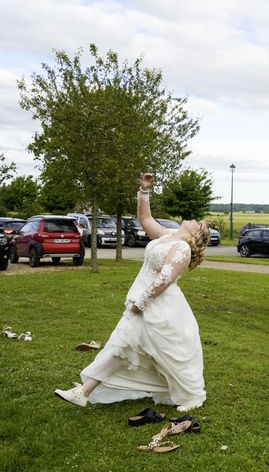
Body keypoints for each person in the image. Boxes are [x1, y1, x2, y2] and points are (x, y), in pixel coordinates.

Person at [55, 173, 209, 411]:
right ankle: (83, 391)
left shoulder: (182, 248)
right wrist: (144, 191)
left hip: (158, 307)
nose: (193, 219)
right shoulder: (166, 237)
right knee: (121, 344)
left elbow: (164, 280)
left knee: (130, 345)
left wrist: (142, 302)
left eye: (197, 222)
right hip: (141, 301)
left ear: (196, 234)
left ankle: (190, 395)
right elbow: (144, 217)